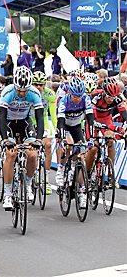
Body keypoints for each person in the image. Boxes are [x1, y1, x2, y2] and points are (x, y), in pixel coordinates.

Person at [0, 67, 44, 210]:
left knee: (32, 154)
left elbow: (40, 117)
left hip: (25, 123)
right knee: (10, 154)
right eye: (19, 90)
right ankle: (7, 194)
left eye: (25, 90)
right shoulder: (7, 92)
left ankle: (29, 185)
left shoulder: (34, 93)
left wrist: (39, 139)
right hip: (9, 123)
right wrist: (5, 139)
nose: (22, 93)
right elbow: (0, 117)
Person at [54, 77, 94, 208]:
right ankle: (61, 168)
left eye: (80, 96)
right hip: (65, 126)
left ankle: (82, 192)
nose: (78, 99)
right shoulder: (64, 101)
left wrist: (91, 138)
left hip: (77, 127)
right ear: (70, 93)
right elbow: (59, 121)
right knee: (69, 144)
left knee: (81, 157)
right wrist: (62, 138)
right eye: (75, 96)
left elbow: (90, 119)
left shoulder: (86, 99)